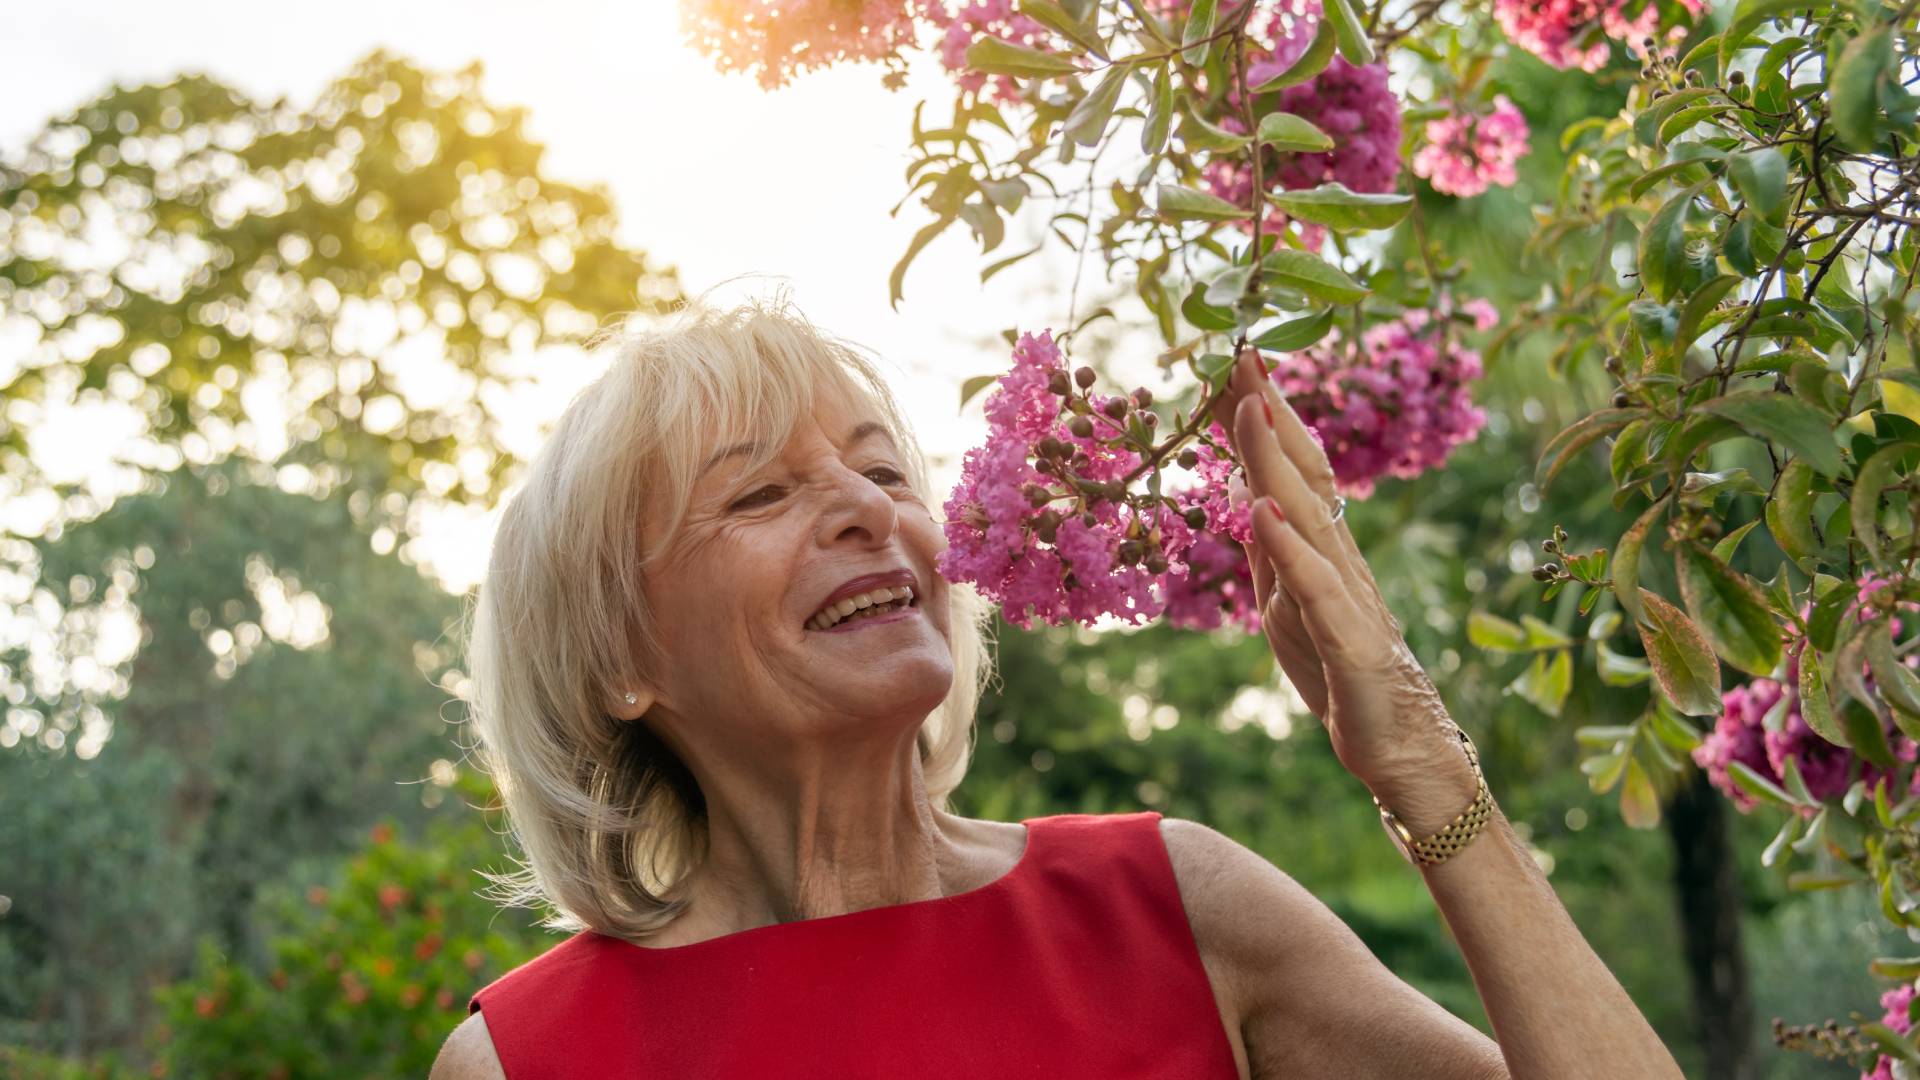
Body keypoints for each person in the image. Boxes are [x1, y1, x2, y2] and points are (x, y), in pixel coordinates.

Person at [431, 290, 1682, 1079]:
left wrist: (1417, 757)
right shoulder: (524, 1061)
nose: (872, 511)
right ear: (620, 660)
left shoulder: (1172, 905)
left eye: (885, 472)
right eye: (762, 492)